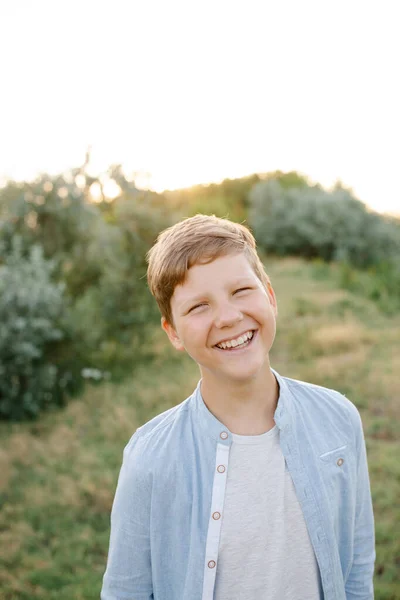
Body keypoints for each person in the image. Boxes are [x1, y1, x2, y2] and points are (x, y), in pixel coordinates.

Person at [101, 214, 375, 600]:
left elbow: (357, 567)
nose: (229, 317)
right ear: (173, 332)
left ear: (271, 297)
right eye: (199, 306)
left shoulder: (339, 418)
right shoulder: (149, 458)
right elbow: (125, 592)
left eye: (241, 291)